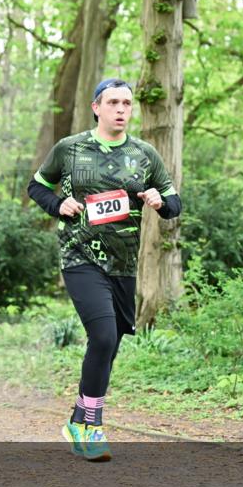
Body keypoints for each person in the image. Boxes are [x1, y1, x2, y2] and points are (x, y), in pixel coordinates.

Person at [27, 78, 182, 461]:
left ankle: (79, 415)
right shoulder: (71, 148)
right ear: (96, 107)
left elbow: (174, 203)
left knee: (110, 342)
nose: (121, 109)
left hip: (124, 263)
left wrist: (159, 200)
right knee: (102, 333)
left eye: (127, 103)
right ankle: (90, 424)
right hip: (80, 256)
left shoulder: (144, 154)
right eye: (113, 102)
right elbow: (37, 186)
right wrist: (58, 204)